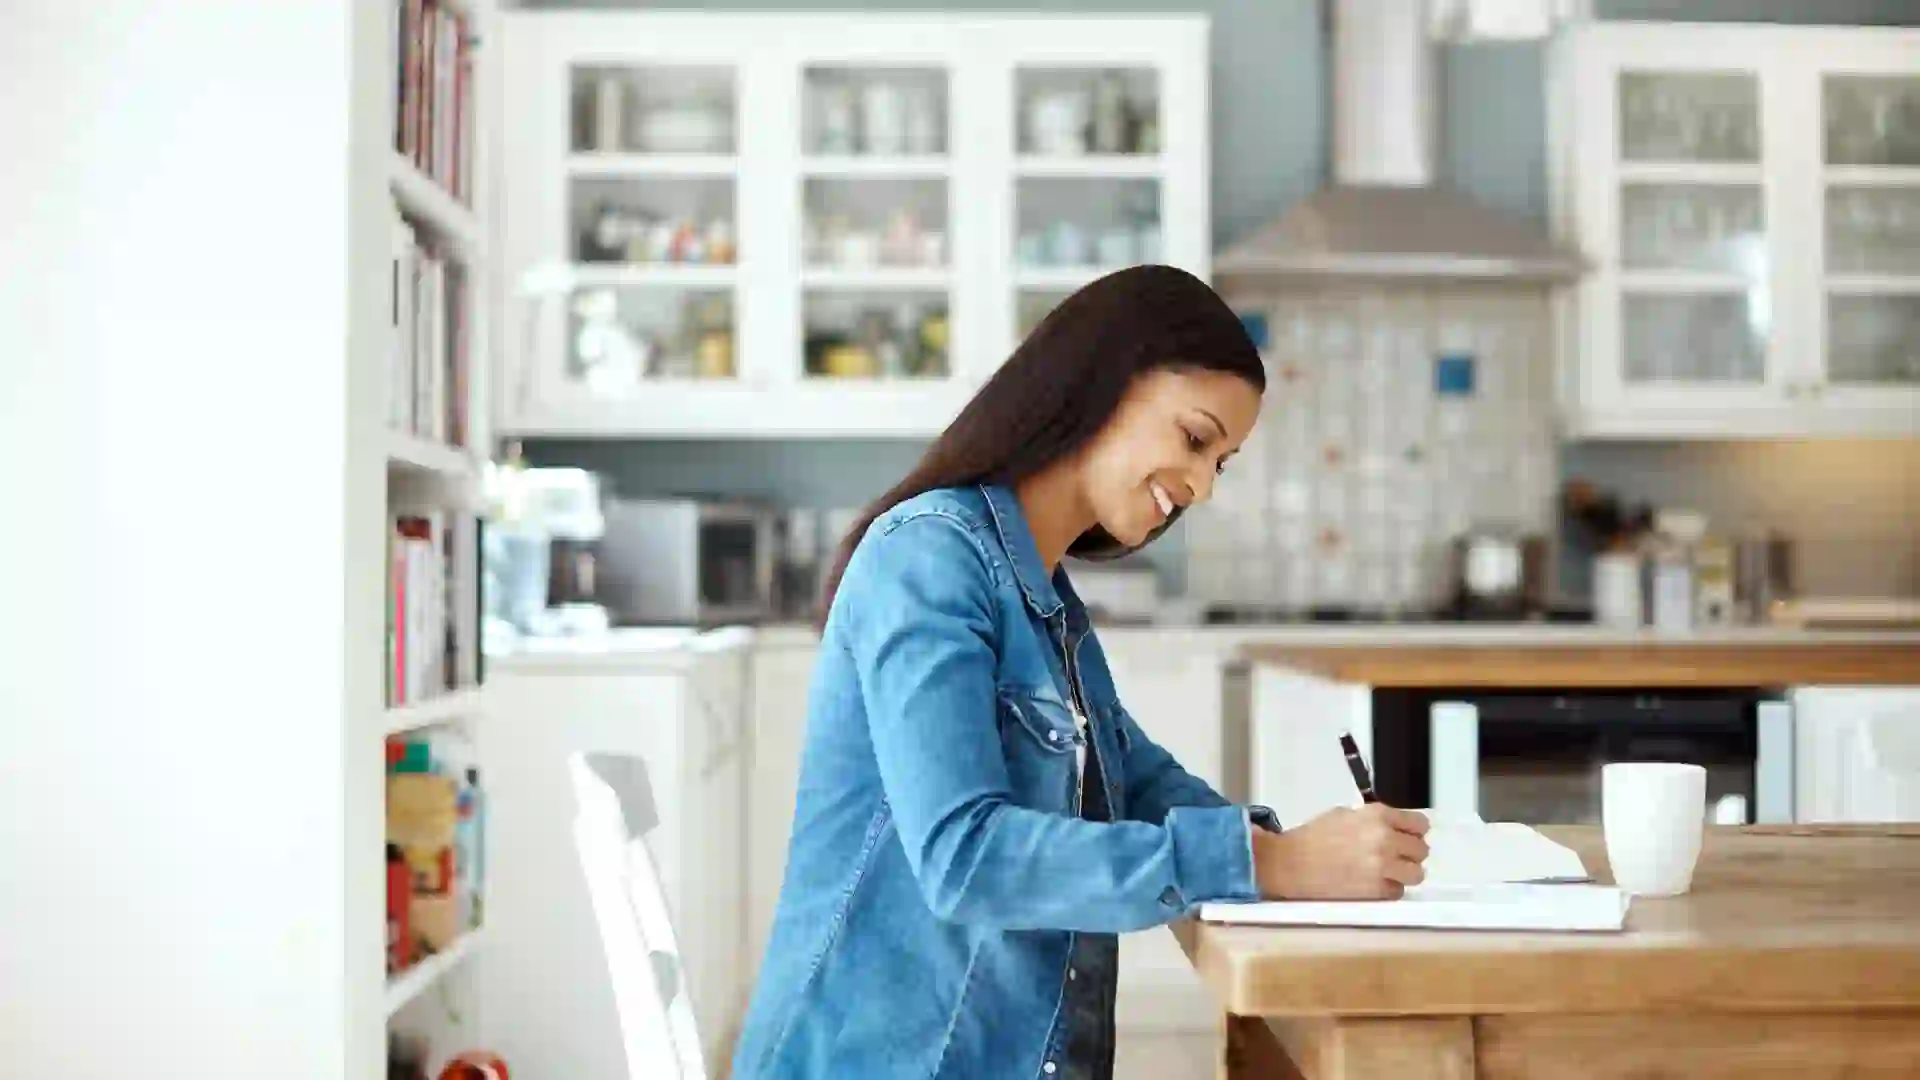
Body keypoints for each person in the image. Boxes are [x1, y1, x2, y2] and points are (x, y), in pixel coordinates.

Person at [730, 266, 1430, 1079]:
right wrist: (1269, 865)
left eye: (1222, 464)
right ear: (1102, 385)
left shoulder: (1042, 591)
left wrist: (1298, 853)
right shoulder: (927, 558)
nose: (1201, 487)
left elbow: (1130, 777)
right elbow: (966, 857)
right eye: (1195, 440)